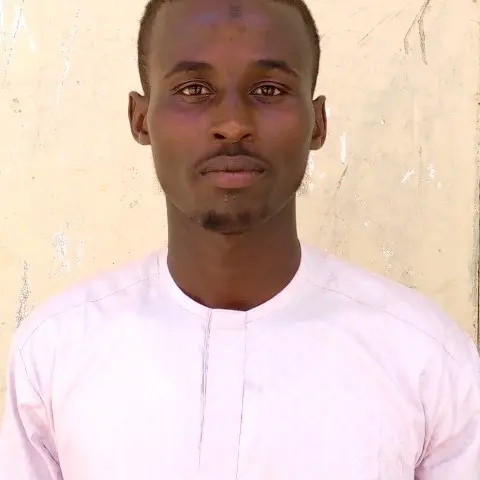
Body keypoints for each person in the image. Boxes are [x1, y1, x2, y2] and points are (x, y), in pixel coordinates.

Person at [1, 0, 479, 478]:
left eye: (268, 89)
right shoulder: (55, 353)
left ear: (318, 122)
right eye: (193, 89)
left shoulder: (425, 361)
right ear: (140, 118)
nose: (233, 124)